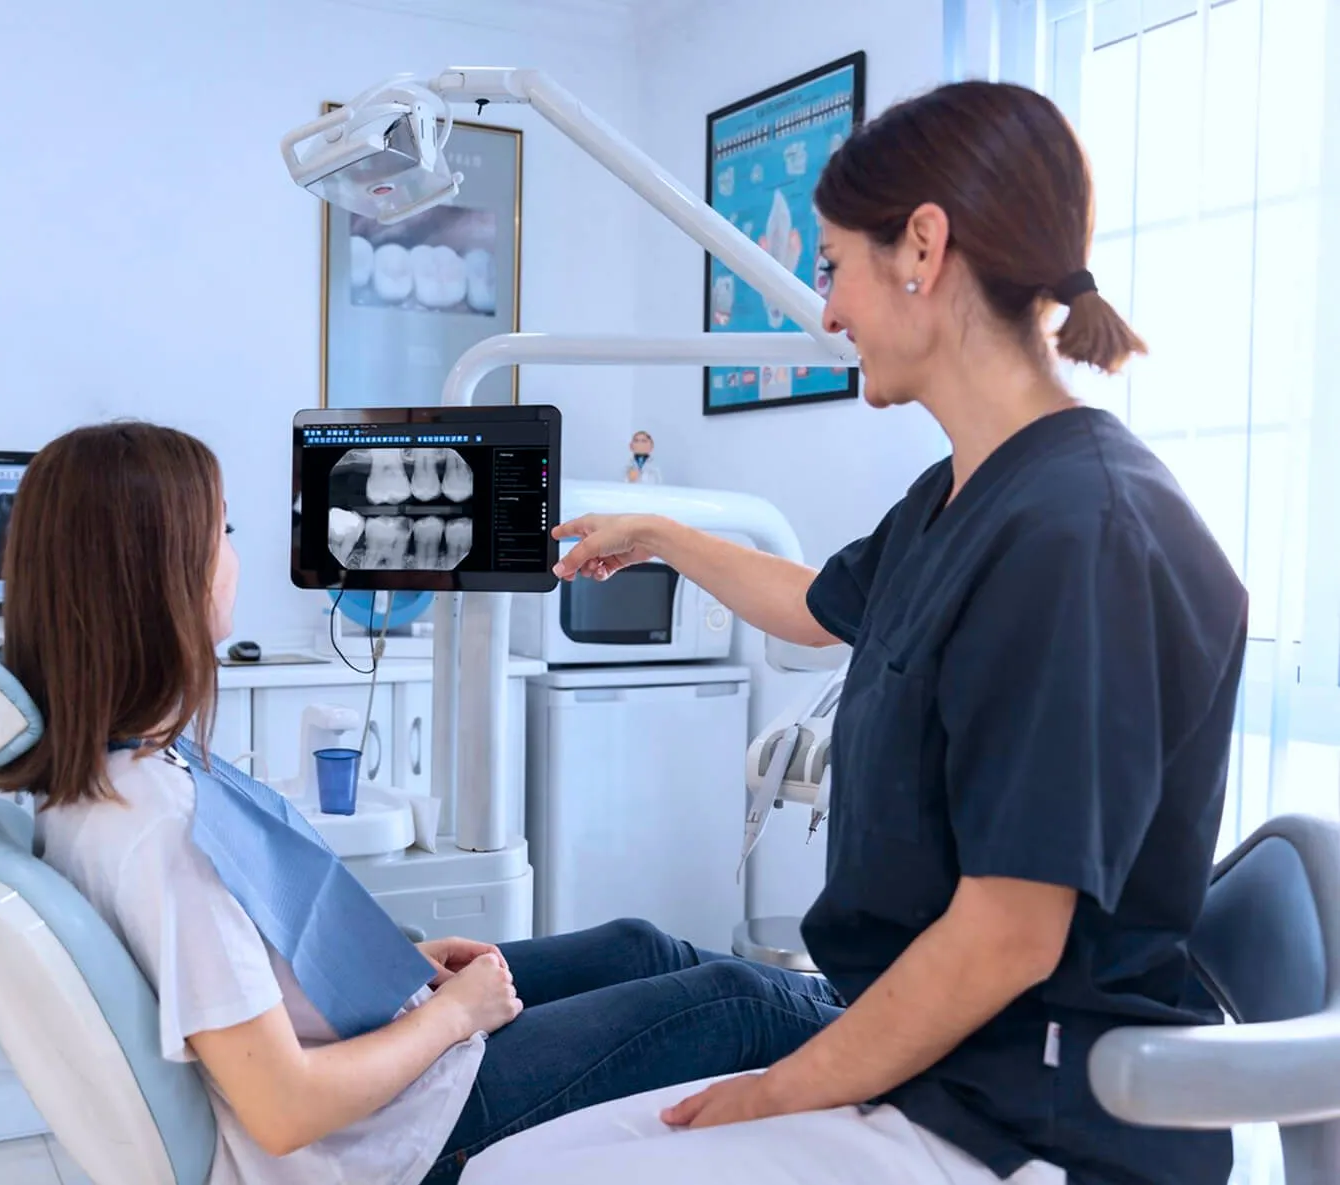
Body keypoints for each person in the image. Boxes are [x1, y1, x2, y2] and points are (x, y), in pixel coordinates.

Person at [490, 80, 1248, 1185]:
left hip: (1024, 1122)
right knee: (516, 1160)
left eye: (835, 264)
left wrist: (777, 1090)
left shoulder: (1080, 534)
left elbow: (1009, 935)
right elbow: (816, 606)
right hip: (926, 1070)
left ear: (923, 249)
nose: (830, 311)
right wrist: (660, 533)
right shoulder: (964, 494)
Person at [0, 420, 844, 1185]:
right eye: (225, 532)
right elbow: (284, 1106)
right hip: (389, 1138)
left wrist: (406, 965)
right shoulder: (162, 835)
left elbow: (240, 978)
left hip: (376, 1054)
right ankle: (916, 1049)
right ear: (162, 576)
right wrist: (454, 1019)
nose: (236, 556)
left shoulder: (117, 776)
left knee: (639, 944)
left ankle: (869, 1022)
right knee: (739, 998)